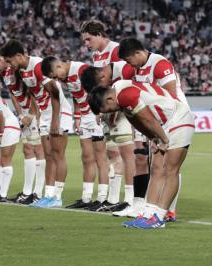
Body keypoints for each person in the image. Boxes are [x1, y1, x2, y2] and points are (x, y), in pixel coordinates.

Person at [89, 80, 194, 229]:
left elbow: (147, 118)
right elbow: (137, 122)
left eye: (107, 110)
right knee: (156, 169)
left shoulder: (125, 95)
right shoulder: (120, 95)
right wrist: (153, 137)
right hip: (165, 123)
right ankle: (148, 213)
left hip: (179, 117)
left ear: (110, 99)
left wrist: (163, 140)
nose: (110, 113)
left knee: (171, 170)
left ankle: (159, 217)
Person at [118, 37, 185, 222]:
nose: (128, 64)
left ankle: (167, 210)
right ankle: (154, 210)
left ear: (138, 53)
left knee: (169, 165)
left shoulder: (160, 65)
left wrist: (158, 130)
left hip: (174, 117)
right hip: (155, 119)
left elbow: (171, 97)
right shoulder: (134, 69)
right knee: (156, 165)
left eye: (129, 59)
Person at [0, 39, 73, 208]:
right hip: (46, 114)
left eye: (10, 61)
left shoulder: (38, 66)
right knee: (48, 156)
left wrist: (55, 121)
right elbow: (33, 94)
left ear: (19, 56)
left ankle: (57, 197)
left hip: (59, 113)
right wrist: (37, 114)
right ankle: (48, 195)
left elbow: (55, 93)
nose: (9, 65)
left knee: (58, 155)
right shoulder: (22, 71)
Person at [41, 57, 111, 211]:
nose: (56, 79)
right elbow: (76, 95)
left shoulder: (81, 70)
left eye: (55, 76)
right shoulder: (66, 78)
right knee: (86, 158)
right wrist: (77, 116)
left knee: (100, 157)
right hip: (85, 117)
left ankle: (102, 198)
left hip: (95, 115)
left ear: (59, 65)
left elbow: (101, 88)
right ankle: (86, 198)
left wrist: (100, 111)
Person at [80, 19, 131, 212]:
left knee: (124, 154)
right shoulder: (97, 55)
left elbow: (124, 78)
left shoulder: (116, 51)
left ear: (100, 34)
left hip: (120, 108)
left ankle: (129, 199)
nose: (86, 44)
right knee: (112, 153)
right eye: (84, 41)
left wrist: (116, 108)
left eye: (89, 39)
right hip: (107, 109)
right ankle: (112, 199)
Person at [80, 61, 139, 213]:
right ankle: (113, 199)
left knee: (129, 157)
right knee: (114, 156)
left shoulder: (126, 69)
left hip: (134, 113)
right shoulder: (112, 75)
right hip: (117, 115)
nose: (102, 91)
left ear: (102, 77)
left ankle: (130, 200)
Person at [0, 51, 45, 205]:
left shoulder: (18, 69)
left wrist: (33, 115)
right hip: (25, 113)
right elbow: (13, 94)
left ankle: (38, 193)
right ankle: (27, 192)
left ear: (1, 60)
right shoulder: (5, 73)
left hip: (36, 111)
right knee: (27, 150)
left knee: (38, 150)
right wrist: (20, 114)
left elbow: (33, 93)